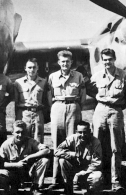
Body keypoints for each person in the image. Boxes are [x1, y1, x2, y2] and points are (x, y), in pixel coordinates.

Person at [87, 48, 126, 192]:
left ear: (114, 59)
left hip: (116, 111)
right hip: (100, 110)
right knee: (97, 145)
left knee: (116, 147)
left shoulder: (123, 75)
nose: (107, 62)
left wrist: (119, 105)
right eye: (104, 59)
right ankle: (97, 178)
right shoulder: (97, 76)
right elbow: (90, 90)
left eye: (109, 59)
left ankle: (115, 180)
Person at [47, 50, 86, 189]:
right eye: (62, 61)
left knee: (73, 143)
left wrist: (75, 107)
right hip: (58, 107)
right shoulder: (52, 77)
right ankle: (56, 180)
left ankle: (72, 179)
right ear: (59, 62)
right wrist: (56, 108)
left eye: (67, 61)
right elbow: (49, 96)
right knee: (57, 144)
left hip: (73, 108)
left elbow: (82, 96)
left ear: (71, 62)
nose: (65, 64)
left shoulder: (78, 76)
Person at [0, 120, 50, 195]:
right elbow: (0, 163)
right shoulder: (6, 144)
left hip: (29, 172)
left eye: (23, 132)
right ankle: (11, 187)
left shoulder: (31, 141)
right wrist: (16, 164)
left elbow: (47, 150)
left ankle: (35, 187)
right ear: (12, 132)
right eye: (17, 132)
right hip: (13, 174)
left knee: (44, 160)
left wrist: (29, 157)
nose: (20, 135)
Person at [55, 121, 103, 194]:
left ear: (90, 131)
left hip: (87, 171)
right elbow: (57, 151)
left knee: (97, 176)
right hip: (74, 168)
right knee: (62, 161)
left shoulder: (95, 142)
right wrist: (73, 154)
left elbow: (97, 163)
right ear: (76, 132)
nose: (83, 135)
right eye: (80, 132)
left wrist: (79, 174)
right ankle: (68, 188)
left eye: (85, 132)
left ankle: (90, 191)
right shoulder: (71, 139)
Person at [14, 58, 48, 143]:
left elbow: (46, 100)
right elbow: (16, 102)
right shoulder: (18, 83)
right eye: (29, 67)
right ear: (25, 68)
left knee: (38, 140)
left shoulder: (43, 82)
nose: (31, 70)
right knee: (23, 139)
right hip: (24, 114)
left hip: (38, 114)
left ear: (37, 68)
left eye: (34, 67)